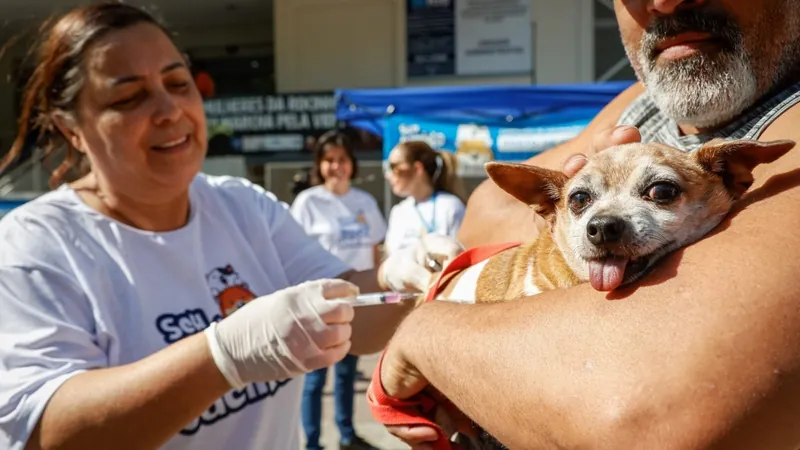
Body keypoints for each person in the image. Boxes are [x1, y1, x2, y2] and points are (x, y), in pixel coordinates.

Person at [0, 4, 462, 450]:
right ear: (70, 129)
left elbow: (350, 315)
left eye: (178, 83)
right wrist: (223, 357)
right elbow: (45, 432)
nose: (169, 110)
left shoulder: (241, 205)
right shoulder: (36, 245)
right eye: (129, 97)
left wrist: (399, 280)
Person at [378, 1, 800, 448]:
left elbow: (642, 423)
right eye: (581, 200)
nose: (662, 0)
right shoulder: (648, 94)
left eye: (660, 192)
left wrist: (423, 336)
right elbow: (485, 212)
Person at [291, 130, 386, 450]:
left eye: (342, 160)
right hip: (318, 302)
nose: (336, 166)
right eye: (329, 160)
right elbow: (292, 251)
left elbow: (375, 250)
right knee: (315, 379)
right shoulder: (308, 202)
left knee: (347, 373)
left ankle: (347, 436)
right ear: (319, 165)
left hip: (357, 300)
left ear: (352, 164)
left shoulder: (364, 202)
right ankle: (313, 443)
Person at [383, 141, 466, 256]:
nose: (388, 174)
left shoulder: (450, 206)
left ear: (417, 168)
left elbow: (461, 255)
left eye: (394, 167)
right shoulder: (398, 212)